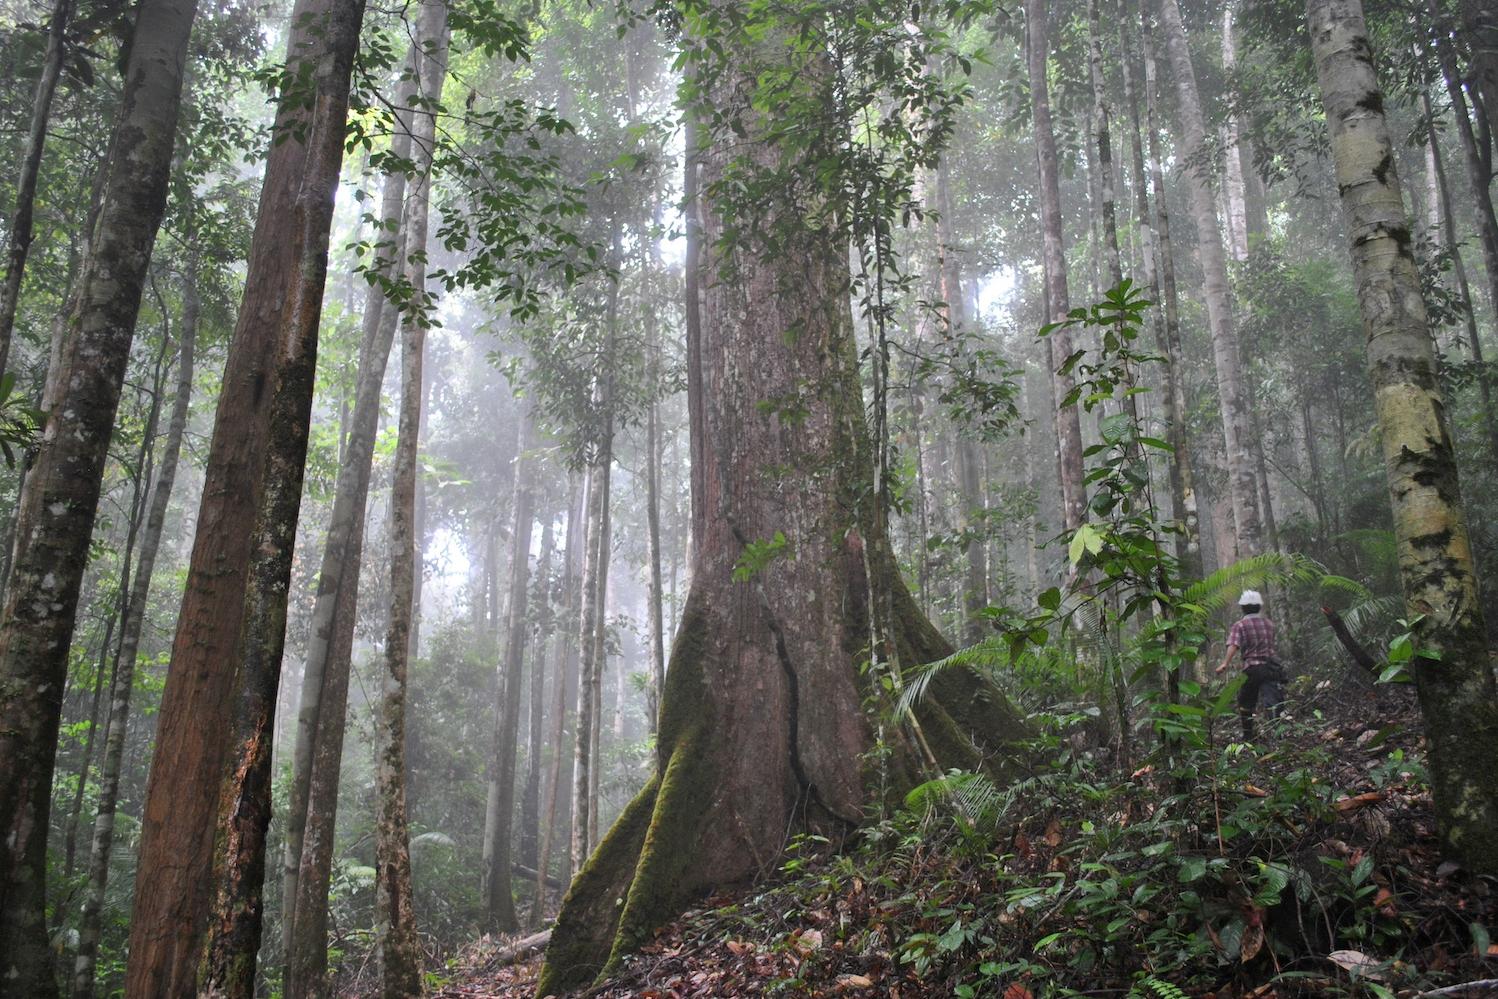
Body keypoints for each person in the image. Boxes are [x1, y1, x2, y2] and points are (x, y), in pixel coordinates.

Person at [1214, 589, 1285, 740]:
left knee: (1245, 702)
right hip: (1270, 667)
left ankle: (1248, 735)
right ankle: (1279, 734)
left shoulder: (1240, 626)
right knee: (1273, 701)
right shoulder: (1269, 624)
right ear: (1259, 606)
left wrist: (1225, 663)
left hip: (1252, 669)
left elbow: (1234, 645)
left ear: (1243, 607)